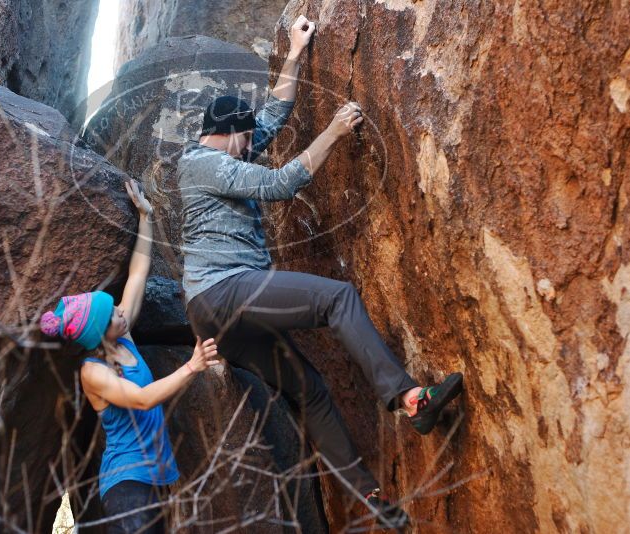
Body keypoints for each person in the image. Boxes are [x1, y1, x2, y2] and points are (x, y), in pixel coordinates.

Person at [177, 14, 463, 529]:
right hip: (223, 292)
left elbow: (275, 113)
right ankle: (405, 396)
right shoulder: (199, 163)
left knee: (308, 389)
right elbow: (283, 182)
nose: (252, 142)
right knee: (337, 299)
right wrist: (333, 131)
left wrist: (295, 49)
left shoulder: (231, 148)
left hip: (222, 318)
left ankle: (372, 499)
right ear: (226, 134)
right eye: (245, 137)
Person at [40, 180, 220, 533]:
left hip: (154, 480)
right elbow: (139, 400)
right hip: (125, 486)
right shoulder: (92, 373)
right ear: (100, 334)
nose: (123, 314)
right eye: (114, 316)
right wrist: (192, 366)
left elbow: (138, 272)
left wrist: (146, 217)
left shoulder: (124, 338)